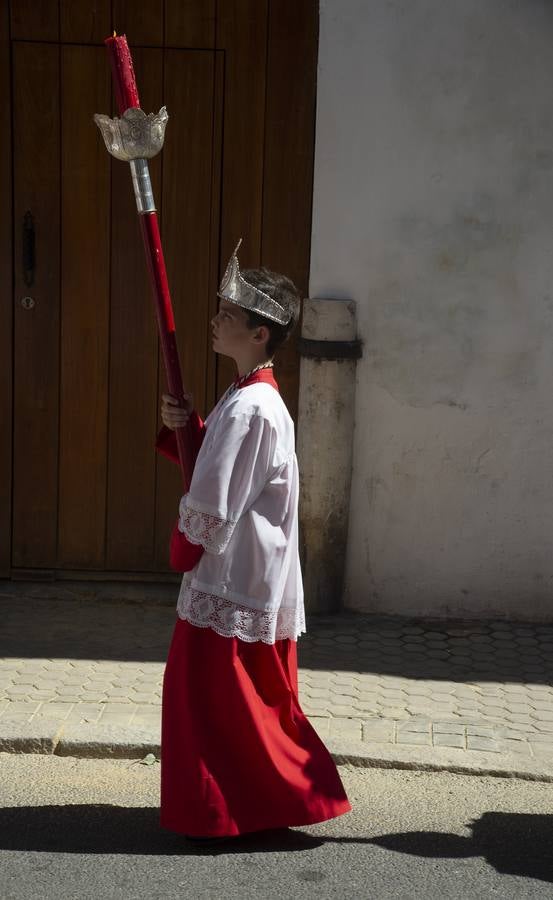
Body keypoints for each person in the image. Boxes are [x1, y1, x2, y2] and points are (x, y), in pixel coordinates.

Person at [155, 240, 351, 843]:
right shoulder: (248, 395)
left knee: (214, 702)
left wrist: (185, 547)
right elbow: (224, 462)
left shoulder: (254, 407)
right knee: (236, 707)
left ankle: (232, 807)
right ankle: (240, 805)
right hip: (242, 576)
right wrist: (187, 431)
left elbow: (217, 501)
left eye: (229, 317)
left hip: (233, 576)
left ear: (261, 334)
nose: (215, 322)